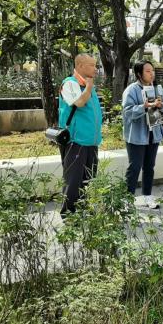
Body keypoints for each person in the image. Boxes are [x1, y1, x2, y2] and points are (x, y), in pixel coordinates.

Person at [122, 60, 163, 209]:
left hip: (154, 133)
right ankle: (128, 199)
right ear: (139, 74)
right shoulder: (131, 90)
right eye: (148, 71)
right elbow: (127, 112)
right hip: (136, 136)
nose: (152, 73)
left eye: (152, 70)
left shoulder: (158, 89)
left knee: (149, 166)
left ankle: (147, 196)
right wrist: (143, 107)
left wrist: (161, 105)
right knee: (135, 167)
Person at [58, 53, 103, 217]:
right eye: (92, 65)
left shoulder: (87, 85)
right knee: (73, 178)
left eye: (95, 65)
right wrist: (89, 88)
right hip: (76, 140)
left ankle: (84, 209)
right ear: (80, 66)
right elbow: (79, 103)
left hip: (91, 140)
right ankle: (68, 214)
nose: (95, 69)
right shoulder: (69, 84)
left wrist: (89, 87)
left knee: (89, 177)